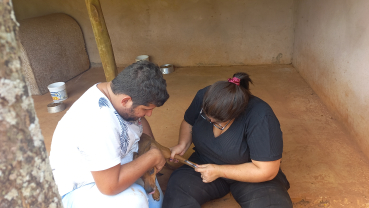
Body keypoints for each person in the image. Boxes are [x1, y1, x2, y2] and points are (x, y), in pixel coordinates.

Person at [49, 61, 169, 208]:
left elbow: (139, 120)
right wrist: (152, 156)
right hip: (80, 188)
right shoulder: (98, 123)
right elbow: (109, 186)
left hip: (114, 168)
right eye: (145, 109)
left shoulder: (113, 93)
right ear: (126, 100)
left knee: (158, 202)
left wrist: (152, 147)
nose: (149, 114)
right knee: (135, 201)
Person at [163, 72, 292, 208]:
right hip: (204, 164)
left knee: (273, 204)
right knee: (178, 191)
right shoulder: (205, 96)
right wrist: (182, 144)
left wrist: (219, 171)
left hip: (249, 173)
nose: (210, 121)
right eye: (206, 117)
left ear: (235, 115)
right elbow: (189, 121)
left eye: (217, 122)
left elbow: (266, 170)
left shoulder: (261, 116)